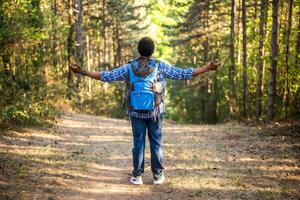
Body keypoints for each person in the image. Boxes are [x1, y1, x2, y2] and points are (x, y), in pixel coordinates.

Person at [69, 37, 222, 185]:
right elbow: (184, 73)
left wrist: (82, 71)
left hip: (135, 112)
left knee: (138, 143)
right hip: (155, 112)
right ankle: (158, 176)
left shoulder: (129, 67)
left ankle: (137, 176)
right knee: (156, 143)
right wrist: (208, 68)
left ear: (138, 50)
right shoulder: (160, 66)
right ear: (152, 51)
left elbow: (105, 76)